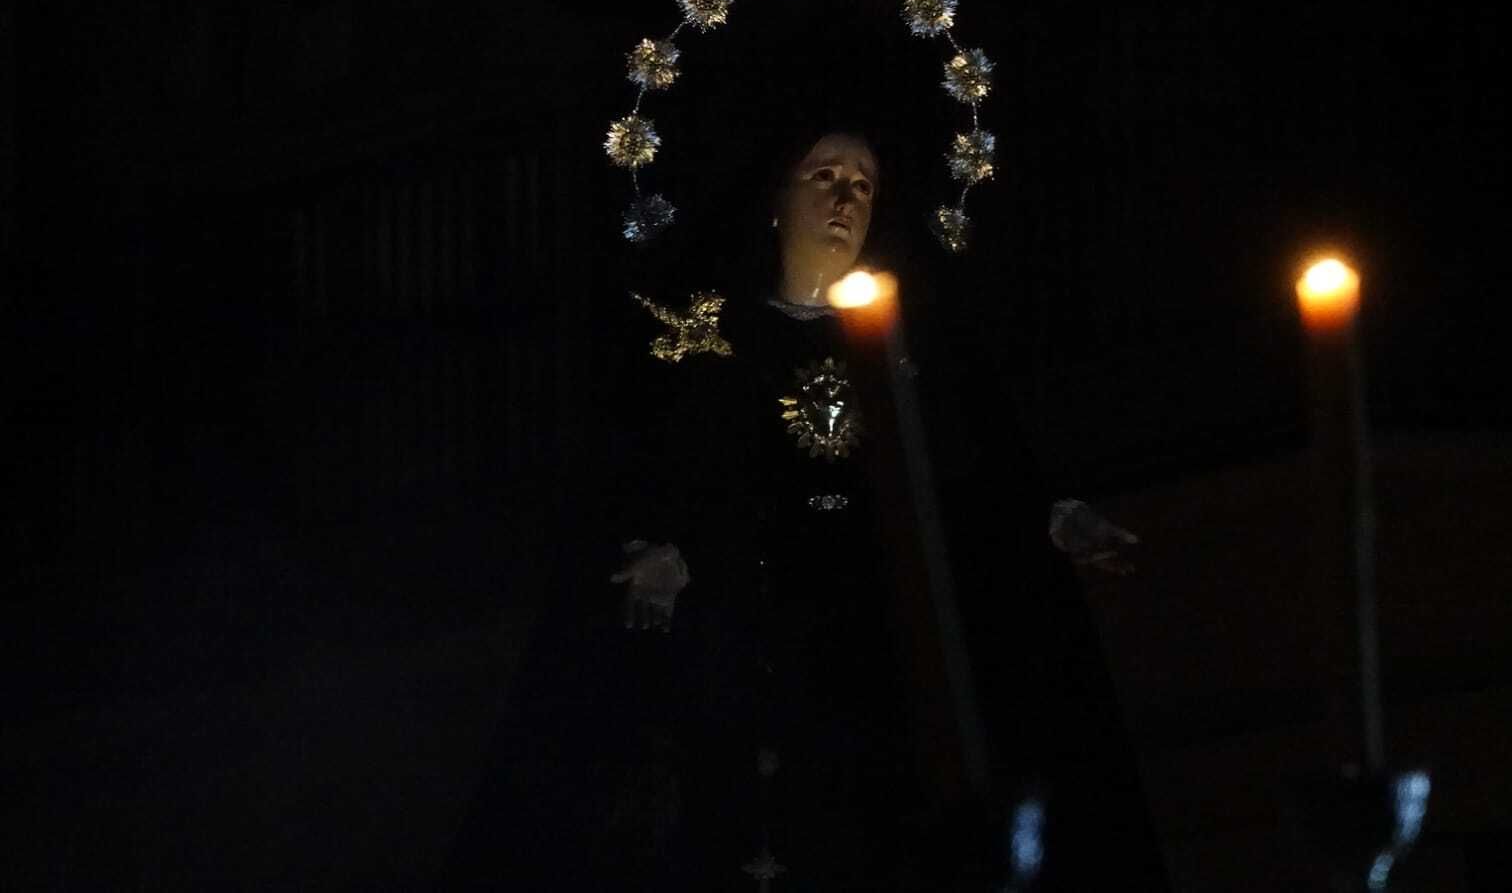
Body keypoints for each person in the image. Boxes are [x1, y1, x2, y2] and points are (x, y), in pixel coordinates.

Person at [441, 129, 1166, 890]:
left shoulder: (907, 343)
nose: (846, 196)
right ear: (776, 201)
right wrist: (668, 549)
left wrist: (1055, 516)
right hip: (752, 644)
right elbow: (666, 475)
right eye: (824, 174)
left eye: (864, 182)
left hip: (886, 647)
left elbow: (974, 468)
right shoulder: (708, 342)